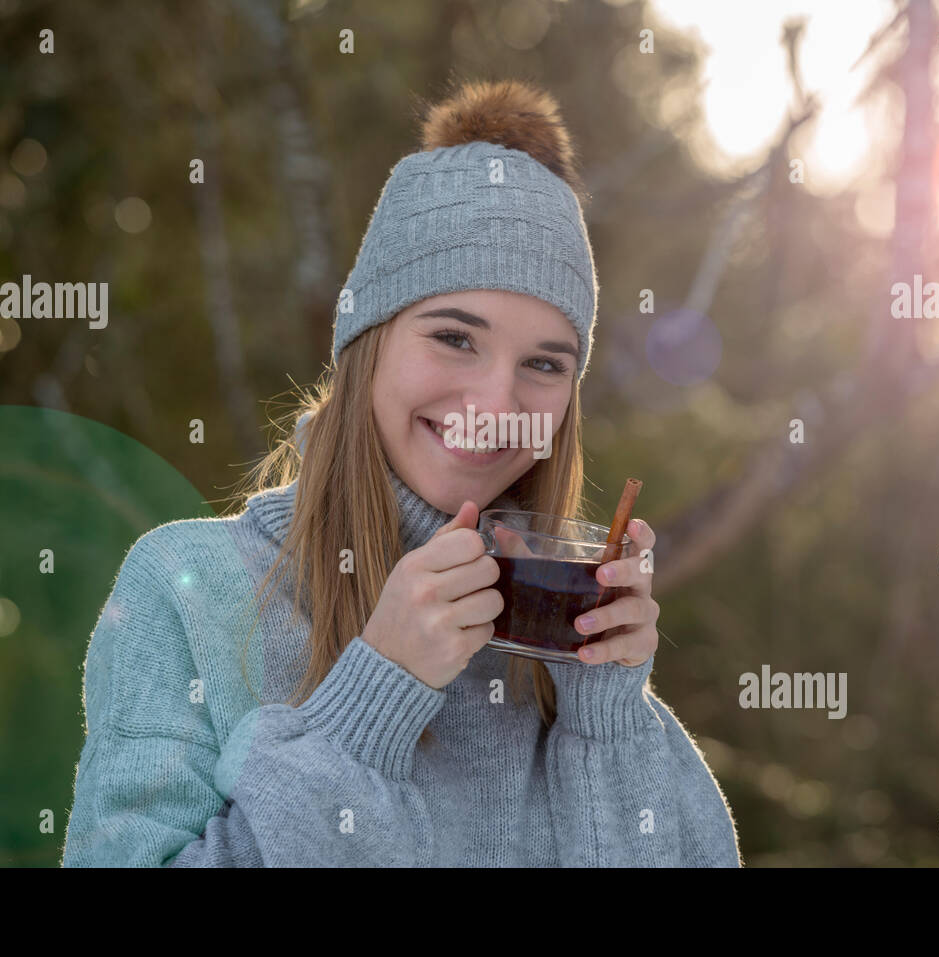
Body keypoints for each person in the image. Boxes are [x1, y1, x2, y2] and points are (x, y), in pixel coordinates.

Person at [61, 78, 742, 867]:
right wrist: (368, 705)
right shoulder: (189, 591)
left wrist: (607, 717)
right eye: (455, 337)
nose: (495, 400)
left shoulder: (566, 651)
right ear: (367, 340)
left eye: (545, 363)